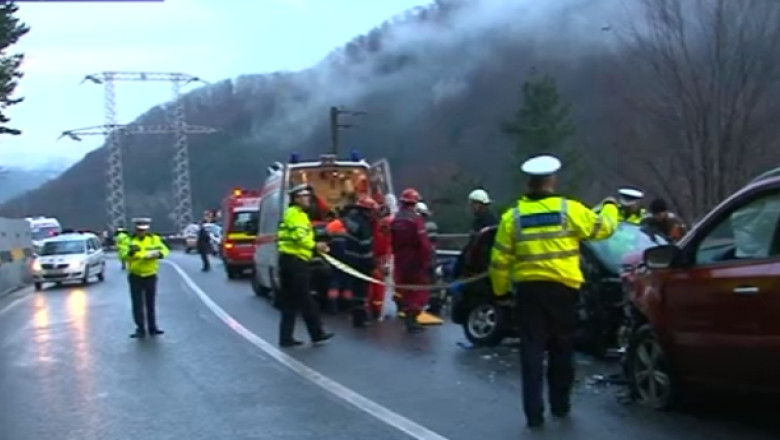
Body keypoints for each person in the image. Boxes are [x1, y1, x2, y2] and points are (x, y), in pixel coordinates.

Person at [489, 155, 619, 428]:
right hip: (563, 290)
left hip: (528, 292)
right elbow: (604, 228)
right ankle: (560, 405)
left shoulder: (512, 217)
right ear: (552, 180)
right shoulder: (568, 210)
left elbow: (499, 262)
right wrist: (610, 206)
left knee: (532, 351)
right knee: (562, 349)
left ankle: (533, 414)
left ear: (529, 183)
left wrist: (501, 292)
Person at [276, 183, 335, 347]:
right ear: (296, 199)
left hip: (289, 260)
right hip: (296, 261)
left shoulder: (295, 213)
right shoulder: (296, 214)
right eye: (304, 196)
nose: (308, 199)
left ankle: (286, 337)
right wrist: (316, 246)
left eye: (308, 196)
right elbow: (299, 236)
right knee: (306, 299)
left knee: (289, 302)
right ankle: (317, 333)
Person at [390, 188, 433, 333]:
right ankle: (412, 319)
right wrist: (427, 260)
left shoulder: (396, 219)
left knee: (405, 288)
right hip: (415, 259)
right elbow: (424, 243)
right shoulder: (416, 220)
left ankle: (406, 312)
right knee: (418, 289)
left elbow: (392, 240)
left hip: (400, 259)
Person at [120, 218, 170, 339]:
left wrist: (159, 254)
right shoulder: (129, 241)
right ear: (136, 230)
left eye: (143, 230)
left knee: (150, 303)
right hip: (135, 275)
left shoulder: (154, 239)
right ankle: (140, 328)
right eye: (139, 230)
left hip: (150, 274)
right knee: (137, 303)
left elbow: (164, 250)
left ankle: (153, 327)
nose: (141, 232)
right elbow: (122, 254)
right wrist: (135, 255)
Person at [342, 195, 378, 328]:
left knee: (355, 289)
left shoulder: (351, 220)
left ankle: (357, 315)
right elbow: (366, 246)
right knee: (361, 292)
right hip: (361, 262)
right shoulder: (364, 225)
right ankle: (360, 318)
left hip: (350, 259)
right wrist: (372, 264)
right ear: (366, 211)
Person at [325, 210, 351, 314]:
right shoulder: (352, 225)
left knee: (335, 280)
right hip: (348, 255)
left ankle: (333, 307)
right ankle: (347, 306)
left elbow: (327, 232)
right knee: (348, 281)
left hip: (336, 255)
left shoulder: (335, 224)